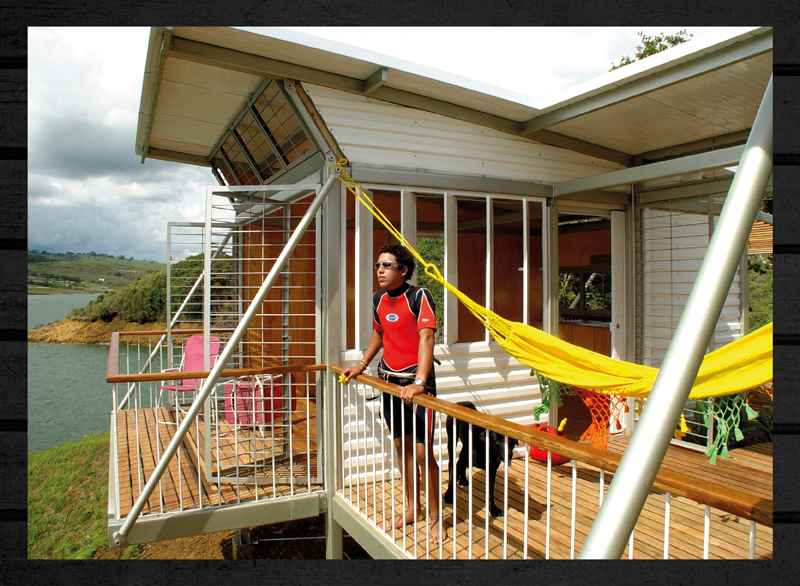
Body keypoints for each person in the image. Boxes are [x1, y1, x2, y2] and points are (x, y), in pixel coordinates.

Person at [341, 243, 444, 544]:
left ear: (403, 270)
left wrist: (420, 382)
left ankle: (436, 517)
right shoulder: (379, 299)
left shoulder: (419, 296)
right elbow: (379, 333)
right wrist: (362, 365)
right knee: (402, 447)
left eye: (386, 265)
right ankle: (413, 508)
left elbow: (426, 338)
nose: (380, 270)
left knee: (423, 452)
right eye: (378, 265)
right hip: (389, 382)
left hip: (417, 385)